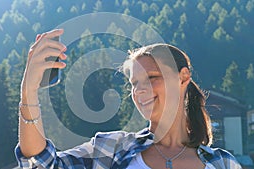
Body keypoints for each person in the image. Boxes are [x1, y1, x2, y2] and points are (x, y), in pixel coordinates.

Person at [15, 29, 242, 169]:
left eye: (152, 77)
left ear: (183, 78)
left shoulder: (223, 164)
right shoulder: (110, 150)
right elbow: (43, 165)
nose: (140, 90)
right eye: (134, 83)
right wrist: (29, 91)